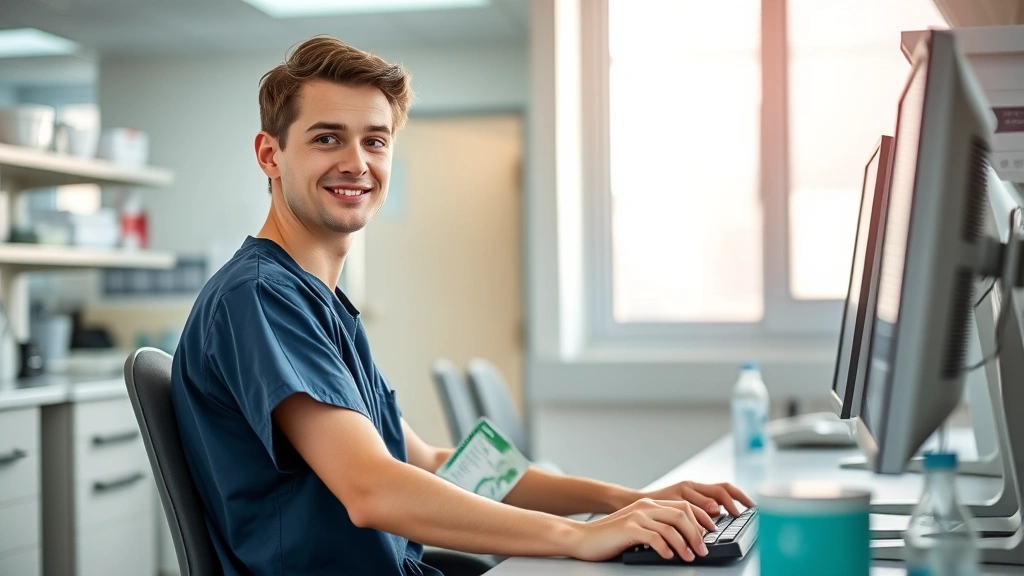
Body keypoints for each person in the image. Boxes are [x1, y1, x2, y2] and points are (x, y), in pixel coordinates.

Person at [170, 35, 754, 576]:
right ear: (269, 155)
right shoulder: (260, 297)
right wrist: (576, 535)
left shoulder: (315, 302)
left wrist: (624, 499)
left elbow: (431, 460)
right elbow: (372, 490)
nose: (356, 162)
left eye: (375, 141)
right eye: (327, 138)